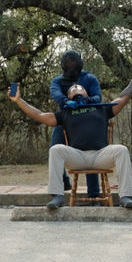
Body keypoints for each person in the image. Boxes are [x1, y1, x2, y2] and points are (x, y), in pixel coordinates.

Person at [10, 60, 132, 210]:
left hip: (100, 155)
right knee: (55, 149)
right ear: (68, 97)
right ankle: (58, 196)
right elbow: (40, 115)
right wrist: (19, 101)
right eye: (72, 89)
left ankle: (125, 196)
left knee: (122, 150)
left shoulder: (101, 108)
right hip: (78, 156)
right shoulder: (66, 112)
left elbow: (123, 97)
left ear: (87, 93)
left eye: (79, 87)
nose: (76, 88)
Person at [50, 50, 103, 198]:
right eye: (69, 65)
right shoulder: (57, 82)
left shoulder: (90, 78)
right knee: (54, 150)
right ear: (64, 66)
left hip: (86, 121)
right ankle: (63, 184)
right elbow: (55, 94)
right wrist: (67, 101)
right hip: (65, 121)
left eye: (74, 65)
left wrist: (87, 100)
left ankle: (94, 195)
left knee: (89, 153)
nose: (72, 68)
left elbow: (98, 97)